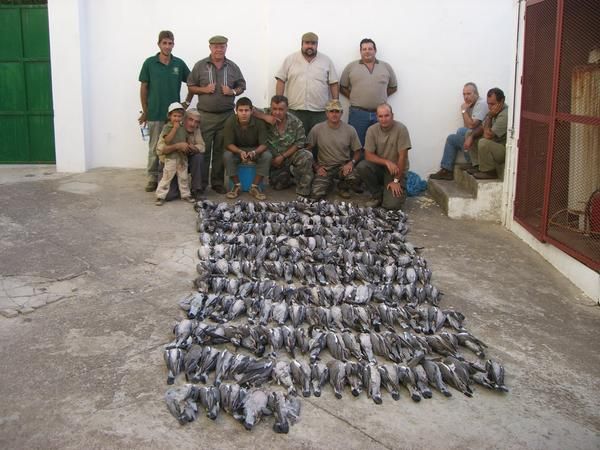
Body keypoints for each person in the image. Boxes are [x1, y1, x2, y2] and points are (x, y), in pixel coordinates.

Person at [187, 35, 246, 195]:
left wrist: (233, 91)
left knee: (221, 151)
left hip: (226, 116)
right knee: (203, 151)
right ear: (210, 47)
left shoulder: (232, 67)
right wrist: (204, 90)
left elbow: (242, 85)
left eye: (222, 46)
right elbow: (191, 86)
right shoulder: (200, 66)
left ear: (226, 47)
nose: (219, 49)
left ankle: (218, 183)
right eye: (215, 46)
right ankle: (200, 184)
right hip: (205, 116)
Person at [138, 30, 191, 192]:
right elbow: (144, 88)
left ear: (173, 44)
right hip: (154, 112)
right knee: (155, 147)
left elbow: (192, 82)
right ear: (159, 44)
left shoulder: (179, 64)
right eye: (164, 43)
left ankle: (171, 177)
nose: (167, 46)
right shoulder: (149, 63)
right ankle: (153, 177)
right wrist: (145, 111)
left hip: (174, 116)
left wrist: (187, 102)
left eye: (170, 43)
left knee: (173, 145)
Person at [275, 32, 339, 135]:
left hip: (320, 112)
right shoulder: (290, 59)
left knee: (319, 142)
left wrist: (335, 103)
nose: (310, 46)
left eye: (313, 43)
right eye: (307, 43)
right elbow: (281, 80)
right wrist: (278, 102)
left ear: (317, 45)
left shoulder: (326, 61)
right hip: (295, 110)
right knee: (296, 142)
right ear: (302, 44)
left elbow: (333, 83)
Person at [339, 38, 398, 146]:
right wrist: (354, 98)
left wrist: (381, 98)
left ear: (375, 50)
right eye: (364, 49)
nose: (367, 51)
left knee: (381, 144)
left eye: (370, 48)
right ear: (360, 51)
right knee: (357, 144)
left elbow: (393, 87)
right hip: (358, 114)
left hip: (380, 114)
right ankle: (357, 163)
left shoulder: (386, 67)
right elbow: (342, 87)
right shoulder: (351, 67)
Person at [254, 95, 314, 198]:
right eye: (274, 109)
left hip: (289, 156)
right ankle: (292, 175)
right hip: (272, 159)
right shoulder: (265, 113)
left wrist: (283, 156)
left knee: (306, 155)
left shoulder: (295, 122)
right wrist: (265, 117)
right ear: (270, 108)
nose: (277, 112)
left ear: (287, 109)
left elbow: (299, 142)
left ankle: (303, 190)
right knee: (277, 185)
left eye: (281, 109)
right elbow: (247, 107)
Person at [356, 103, 412, 209]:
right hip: (380, 168)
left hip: (396, 171)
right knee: (362, 166)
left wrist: (396, 181)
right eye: (380, 116)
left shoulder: (401, 129)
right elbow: (368, 155)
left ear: (392, 115)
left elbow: (402, 157)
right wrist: (387, 162)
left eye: (387, 115)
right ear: (376, 117)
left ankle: (395, 191)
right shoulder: (372, 130)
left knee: (391, 206)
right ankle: (377, 195)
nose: (384, 119)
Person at [430, 82, 489, 180]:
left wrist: (463, 111)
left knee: (451, 138)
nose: (466, 97)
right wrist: (465, 111)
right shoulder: (470, 105)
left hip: (483, 139)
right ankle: (471, 162)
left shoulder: (481, 104)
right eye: (464, 94)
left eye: (468, 94)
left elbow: (471, 125)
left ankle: (447, 170)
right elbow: (467, 126)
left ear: (476, 94)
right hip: (476, 136)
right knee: (461, 131)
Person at [306, 99, 362, 200]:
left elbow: (358, 151)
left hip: (342, 167)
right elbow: (308, 150)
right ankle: (329, 183)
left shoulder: (350, 129)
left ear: (342, 113)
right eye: (331, 111)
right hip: (325, 168)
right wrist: (316, 167)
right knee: (316, 195)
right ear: (326, 113)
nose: (334, 114)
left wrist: (351, 163)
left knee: (355, 178)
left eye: (337, 111)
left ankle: (343, 187)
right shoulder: (317, 129)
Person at [223, 97, 272, 200]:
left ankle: (255, 186)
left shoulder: (259, 122)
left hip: (255, 149)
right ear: (236, 111)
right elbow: (228, 144)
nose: (244, 113)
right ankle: (236, 185)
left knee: (267, 155)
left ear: (251, 111)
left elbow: (264, 144)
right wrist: (239, 151)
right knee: (227, 155)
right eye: (241, 110)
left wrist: (254, 152)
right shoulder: (230, 121)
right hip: (237, 150)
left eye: (246, 110)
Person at [155, 103, 196, 206]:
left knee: (184, 177)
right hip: (171, 159)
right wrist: (174, 128)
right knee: (166, 178)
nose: (177, 118)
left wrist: (189, 145)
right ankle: (160, 196)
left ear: (182, 117)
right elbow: (168, 141)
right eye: (174, 116)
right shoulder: (167, 127)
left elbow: (185, 139)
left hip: (182, 158)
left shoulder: (183, 127)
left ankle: (185, 195)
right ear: (169, 116)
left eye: (179, 116)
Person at [160, 108, 206, 201]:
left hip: (184, 163)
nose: (193, 124)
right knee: (169, 196)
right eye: (190, 120)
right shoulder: (170, 127)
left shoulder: (196, 130)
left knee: (198, 157)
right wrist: (177, 146)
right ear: (184, 119)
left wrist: (191, 147)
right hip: (169, 163)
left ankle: (196, 189)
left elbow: (202, 147)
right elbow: (160, 150)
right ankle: (174, 185)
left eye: (196, 122)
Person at [470, 88, 508, 180]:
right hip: (494, 144)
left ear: (502, 101)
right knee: (471, 134)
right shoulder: (493, 110)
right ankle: (477, 166)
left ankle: (489, 172)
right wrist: (471, 136)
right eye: (488, 103)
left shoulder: (505, 114)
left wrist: (489, 117)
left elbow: (488, 136)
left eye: (492, 104)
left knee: (483, 142)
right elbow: (483, 127)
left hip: (503, 150)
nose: (490, 107)